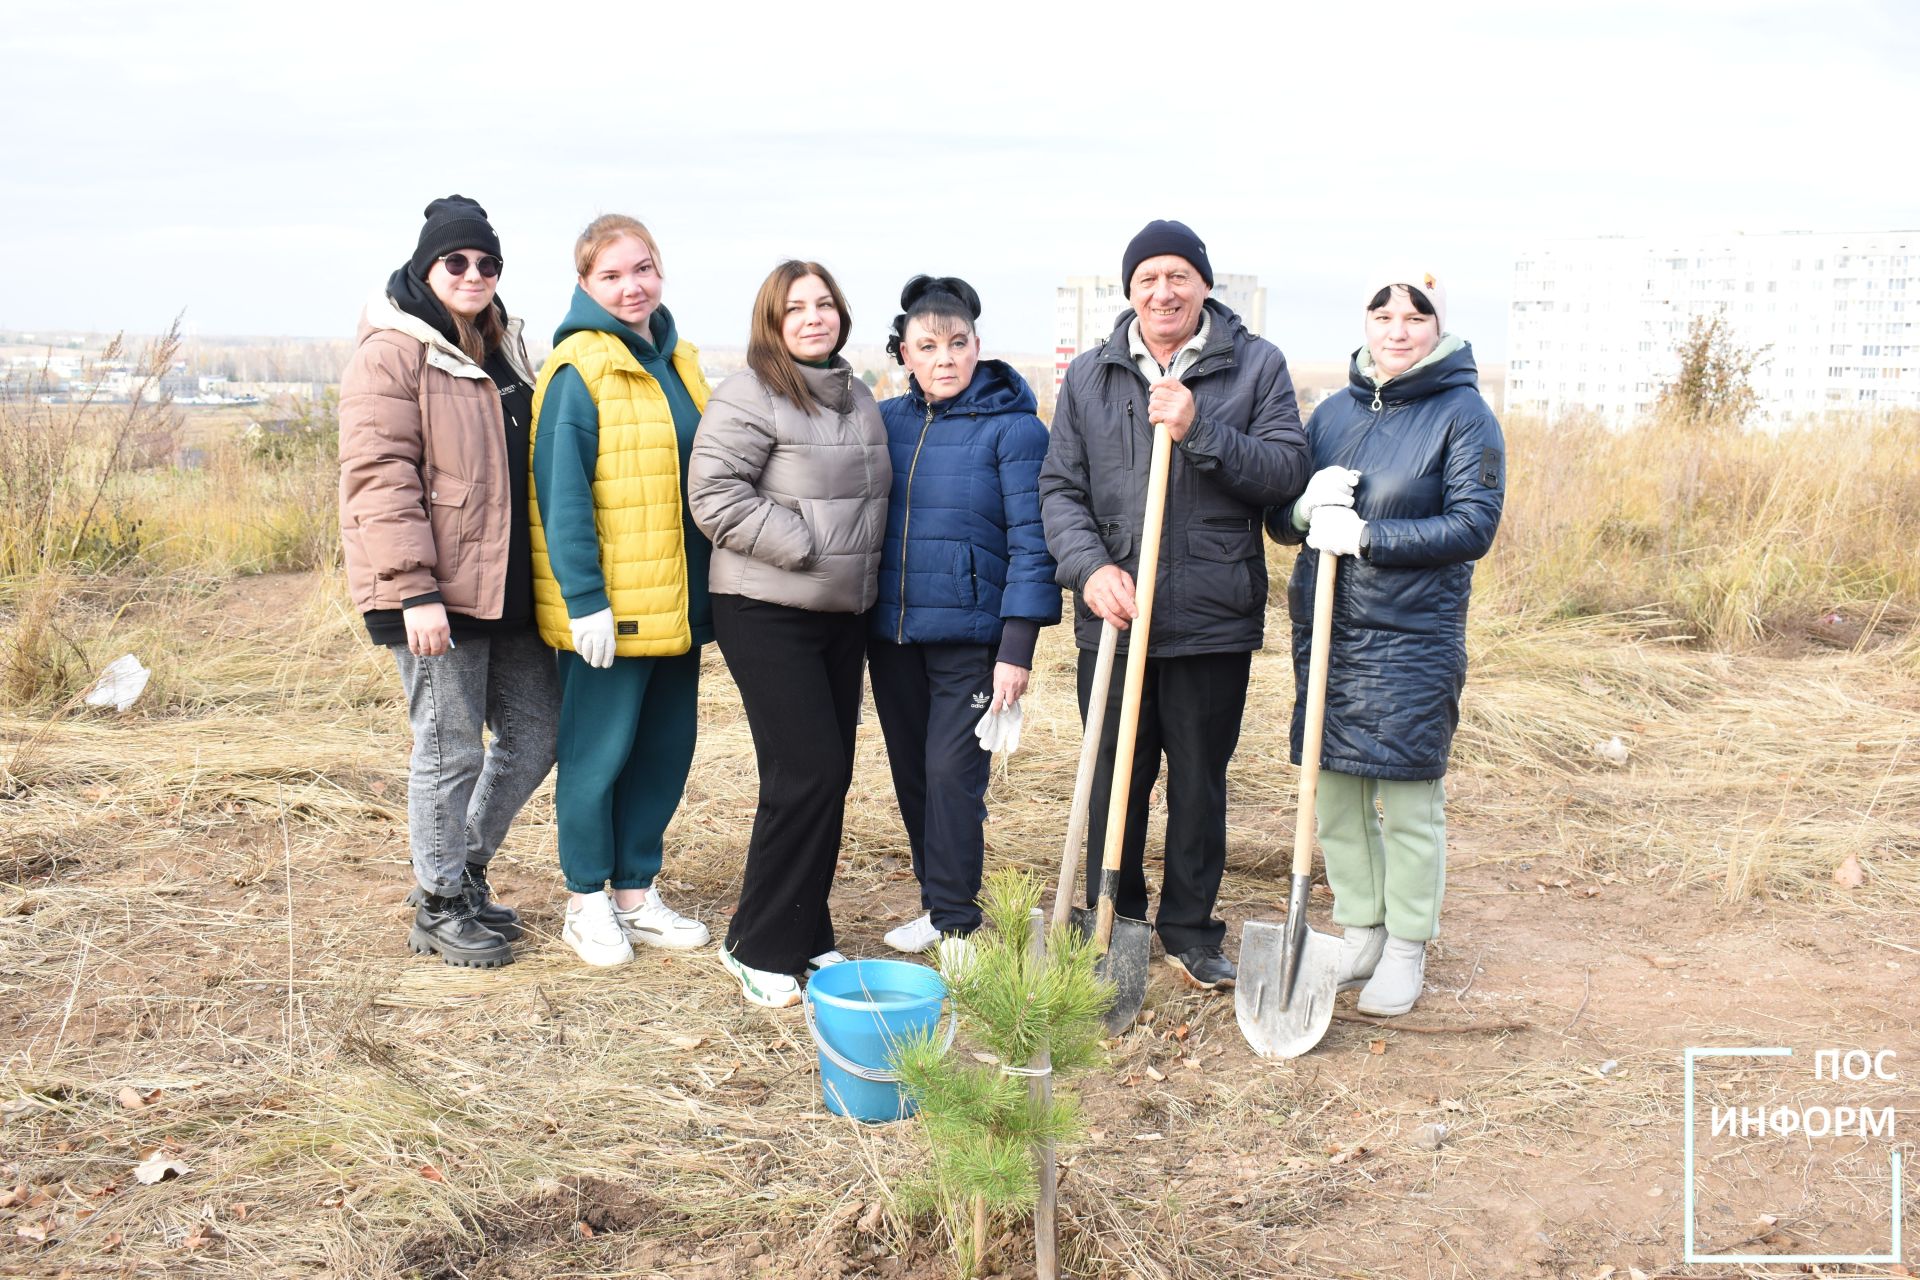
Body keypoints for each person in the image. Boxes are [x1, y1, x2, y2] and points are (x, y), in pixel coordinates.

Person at [1038, 219, 1309, 991]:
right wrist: (1088, 569)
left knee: (1199, 780)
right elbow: (1060, 489)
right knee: (1114, 781)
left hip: (1209, 616)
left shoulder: (1255, 367)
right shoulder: (1091, 376)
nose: (1163, 291)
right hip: (1115, 620)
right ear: (1130, 290)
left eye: (1178, 276)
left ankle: (1191, 930)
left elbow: (1286, 472)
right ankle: (1111, 919)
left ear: (1204, 285)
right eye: (1148, 277)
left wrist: (1200, 429)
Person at [1267, 270, 1504, 1017]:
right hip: (1330, 635)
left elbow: (1473, 527)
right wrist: (1303, 508)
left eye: (1414, 317)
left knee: (1405, 802)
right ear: (1365, 326)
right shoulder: (1331, 413)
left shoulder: (1464, 416)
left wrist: (1367, 536)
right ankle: (1361, 932)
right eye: (1383, 315)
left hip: (1411, 640)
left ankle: (1406, 947)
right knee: (1332, 796)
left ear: (1439, 329)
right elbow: (1281, 519)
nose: (1397, 329)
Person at [339, 195, 556, 969]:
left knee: (538, 732)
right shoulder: (394, 352)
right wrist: (414, 589)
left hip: (504, 583)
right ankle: (437, 906)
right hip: (434, 590)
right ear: (426, 266)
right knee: (448, 746)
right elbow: (380, 477)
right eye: (456, 261)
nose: (473, 274)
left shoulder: (501, 343)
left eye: (486, 263)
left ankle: (460, 870)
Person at [688, 260, 890, 1008]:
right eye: (795, 308)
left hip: (839, 615)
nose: (814, 317)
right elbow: (712, 495)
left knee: (827, 773)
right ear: (771, 322)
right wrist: (805, 544)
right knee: (804, 771)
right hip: (767, 608)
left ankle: (805, 931)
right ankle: (757, 944)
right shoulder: (750, 394)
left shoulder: (857, 397)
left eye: (825, 304)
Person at [529, 214, 715, 968]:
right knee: (598, 755)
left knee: (665, 750)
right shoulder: (580, 369)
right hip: (612, 608)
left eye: (642, 269)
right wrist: (584, 602)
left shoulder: (681, 361)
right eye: (611, 275)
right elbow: (560, 492)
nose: (631, 286)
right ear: (585, 285)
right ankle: (585, 899)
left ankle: (636, 894)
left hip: (680, 600)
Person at [868, 276, 1060, 954]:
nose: (944, 358)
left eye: (957, 343)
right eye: (928, 346)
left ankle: (956, 927)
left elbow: (1033, 542)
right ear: (904, 354)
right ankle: (936, 899)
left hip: (971, 641)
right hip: (891, 639)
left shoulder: (1015, 430)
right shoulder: (886, 423)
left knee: (954, 778)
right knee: (914, 775)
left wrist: (1017, 646)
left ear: (977, 346)